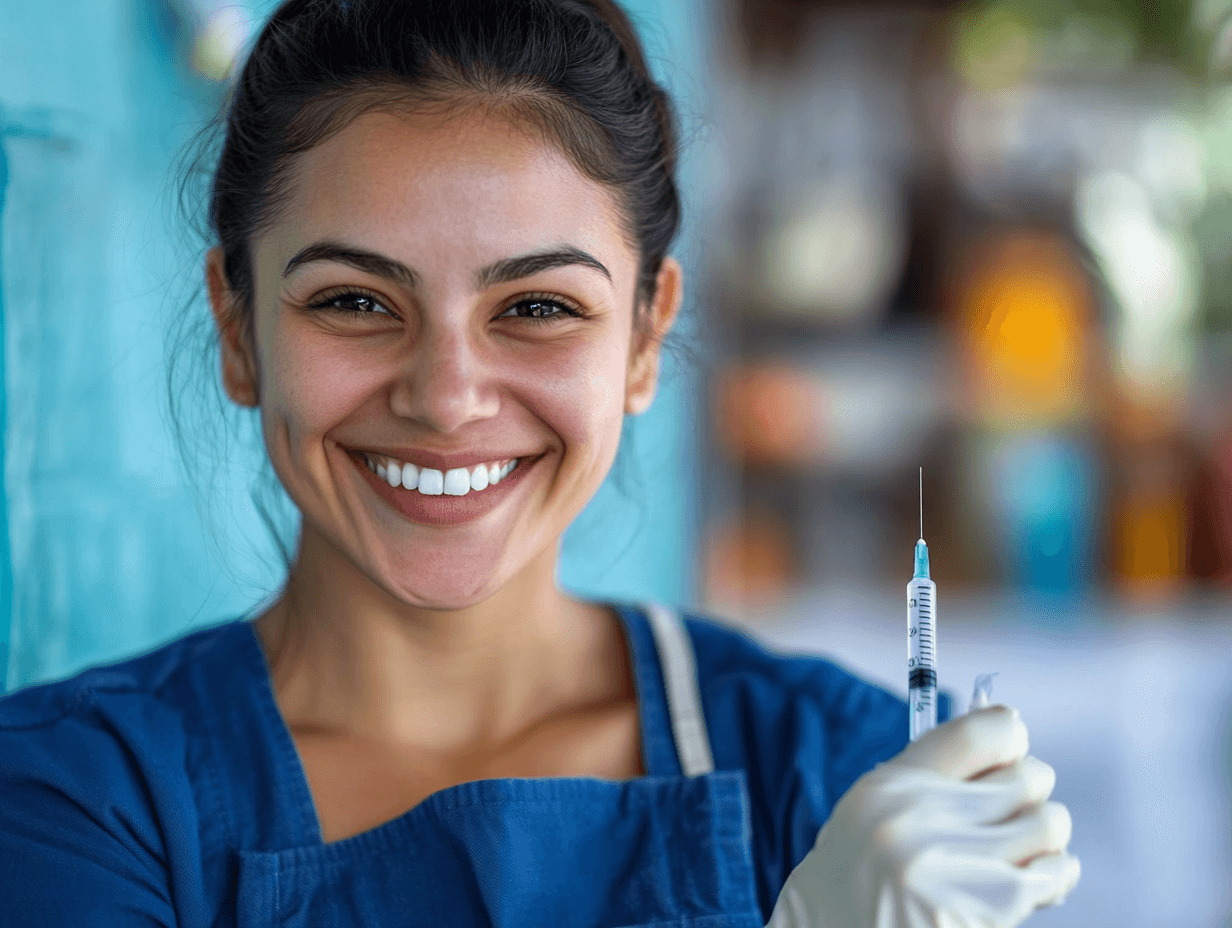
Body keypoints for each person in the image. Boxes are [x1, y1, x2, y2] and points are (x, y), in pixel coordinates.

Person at [0, 1, 1079, 925]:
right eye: (355, 301)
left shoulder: (835, 770)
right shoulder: (78, 800)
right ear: (239, 330)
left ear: (645, 339)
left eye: (537, 308)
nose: (445, 395)